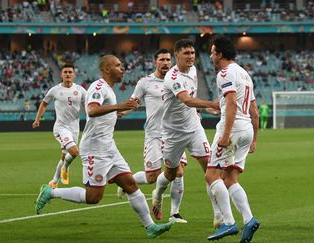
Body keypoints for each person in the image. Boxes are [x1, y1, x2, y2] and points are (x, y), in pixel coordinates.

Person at [34, 55, 174, 238]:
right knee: (93, 197)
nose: (122, 68)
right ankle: (51, 191)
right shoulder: (98, 87)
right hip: (94, 149)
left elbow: (104, 115)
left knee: (130, 184)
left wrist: (118, 111)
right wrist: (119, 106)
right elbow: (91, 110)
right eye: (118, 65)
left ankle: (150, 227)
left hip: (109, 146)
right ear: (107, 69)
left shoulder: (109, 89)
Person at [150, 39, 220, 225]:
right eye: (186, 53)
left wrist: (205, 110)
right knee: (171, 174)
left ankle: (219, 215)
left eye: (192, 53)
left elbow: (192, 101)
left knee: (210, 169)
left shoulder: (194, 70)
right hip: (172, 133)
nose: (191, 57)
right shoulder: (172, 78)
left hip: (194, 128)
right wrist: (211, 103)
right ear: (176, 55)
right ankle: (157, 192)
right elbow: (187, 100)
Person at [116, 48, 189, 223]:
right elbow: (134, 102)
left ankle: (174, 213)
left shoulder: (178, 80)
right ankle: (127, 182)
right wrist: (123, 112)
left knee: (178, 172)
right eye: (162, 60)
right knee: (152, 178)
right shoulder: (145, 82)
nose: (165, 63)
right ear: (155, 62)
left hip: (174, 134)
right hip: (154, 135)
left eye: (168, 60)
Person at [206, 35, 260, 242]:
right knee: (230, 178)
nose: (210, 55)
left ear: (219, 54)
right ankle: (249, 220)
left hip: (232, 130)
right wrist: (254, 139)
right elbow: (253, 110)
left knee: (211, 176)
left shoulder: (225, 73)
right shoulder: (245, 74)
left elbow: (231, 104)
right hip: (246, 129)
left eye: (212, 52)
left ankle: (228, 223)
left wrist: (225, 135)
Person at [33, 63, 86, 188]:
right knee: (74, 151)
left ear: (74, 74)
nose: (67, 74)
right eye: (65, 72)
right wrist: (37, 119)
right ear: (61, 75)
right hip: (61, 127)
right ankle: (65, 169)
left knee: (64, 155)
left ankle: (54, 182)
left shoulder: (80, 90)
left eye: (70, 72)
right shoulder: (55, 90)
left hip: (75, 127)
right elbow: (44, 103)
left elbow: (90, 104)